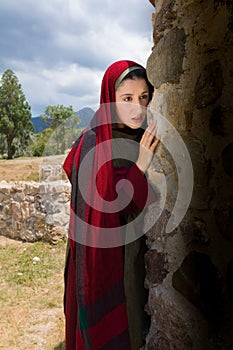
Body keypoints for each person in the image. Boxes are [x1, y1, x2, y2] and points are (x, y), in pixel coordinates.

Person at [63, 60, 159, 349]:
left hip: (128, 252)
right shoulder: (92, 141)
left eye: (144, 98)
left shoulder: (135, 136)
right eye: (127, 98)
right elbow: (106, 205)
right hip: (99, 259)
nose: (137, 108)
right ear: (108, 99)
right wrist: (139, 166)